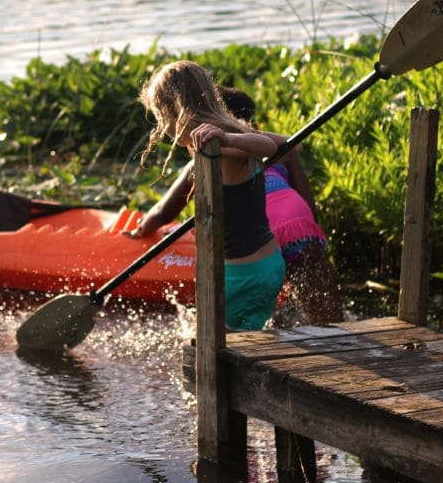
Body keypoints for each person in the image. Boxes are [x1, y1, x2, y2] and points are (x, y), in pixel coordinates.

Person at [129, 84, 342, 325]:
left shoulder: (210, 154)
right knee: (325, 318)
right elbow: (308, 202)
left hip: (258, 240)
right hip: (300, 226)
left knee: (244, 319)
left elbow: (163, 213)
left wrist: (141, 229)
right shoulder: (267, 146)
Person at [132, 60, 286, 331]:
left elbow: (268, 146)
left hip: (242, 276)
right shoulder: (227, 131)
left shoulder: (222, 140)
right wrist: (234, 135)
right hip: (266, 265)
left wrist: (229, 139)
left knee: (218, 355)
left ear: (172, 112)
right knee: (241, 344)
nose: (161, 128)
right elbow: (284, 145)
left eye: (159, 118)